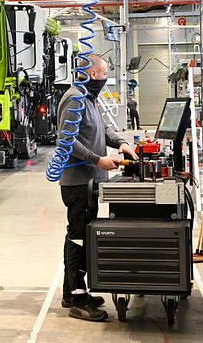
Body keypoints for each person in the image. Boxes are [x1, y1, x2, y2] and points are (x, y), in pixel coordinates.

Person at [56, 54, 139, 322]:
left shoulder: (89, 99)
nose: (105, 78)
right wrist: (97, 159)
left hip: (90, 181)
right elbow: (65, 140)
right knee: (78, 237)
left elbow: (102, 129)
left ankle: (72, 292)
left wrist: (121, 143)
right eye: (104, 73)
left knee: (83, 235)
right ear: (94, 74)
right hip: (78, 182)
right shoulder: (74, 99)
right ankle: (78, 300)